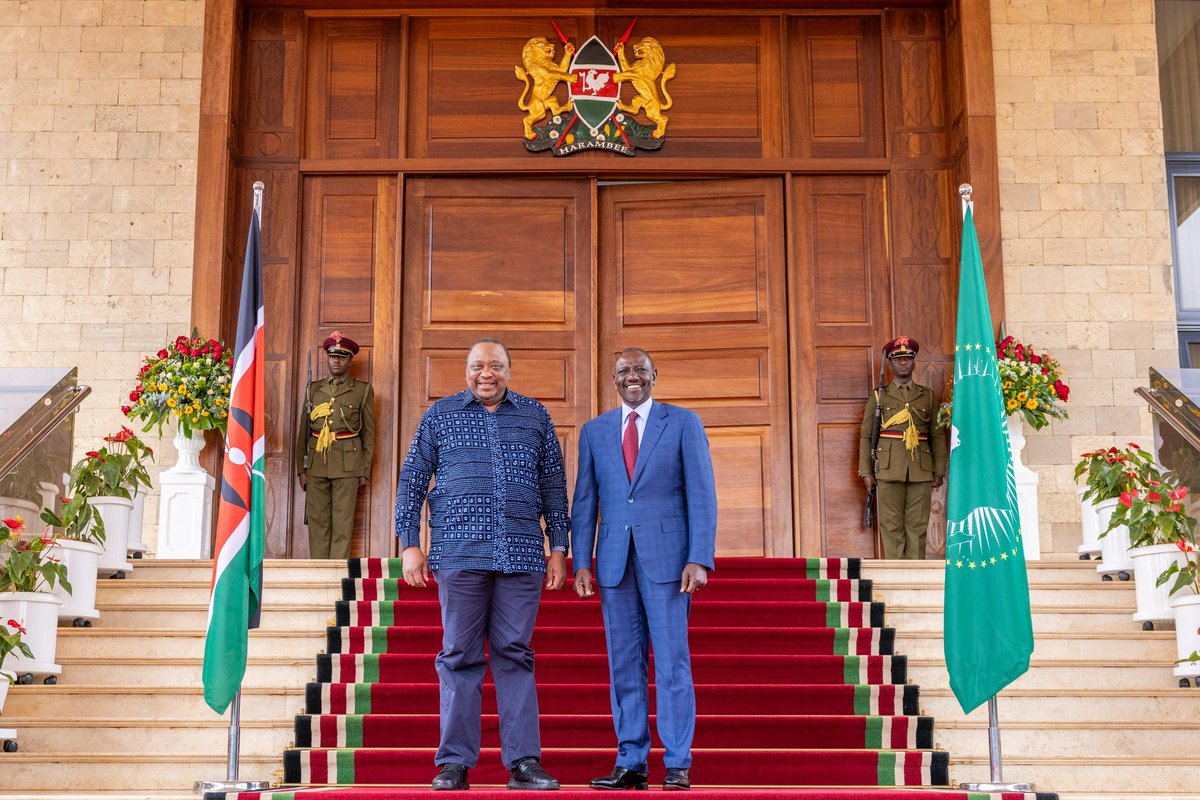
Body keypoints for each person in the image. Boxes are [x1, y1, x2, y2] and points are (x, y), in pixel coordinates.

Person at [394, 338, 568, 792]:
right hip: (458, 553)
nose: (485, 373)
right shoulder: (440, 414)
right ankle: (454, 763)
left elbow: (553, 486)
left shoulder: (536, 416)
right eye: (476, 366)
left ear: (509, 370)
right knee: (459, 657)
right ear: (466, 370)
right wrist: (410, 543)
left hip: (522, 553)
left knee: (515, 654)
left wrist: (559, 548)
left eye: (494, 365)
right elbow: (411, 480)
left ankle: (524, 763)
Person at [571, 347, 718, 792]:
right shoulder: (594, 431)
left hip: (670, 563)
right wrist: (582, 560)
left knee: (672, 662)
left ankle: (677, 762)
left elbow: (702, 493)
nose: (631, 377)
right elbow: (585, 502)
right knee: (624, 664)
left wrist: (699, 556)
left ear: (655, 374)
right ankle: (631, 762)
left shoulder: (683, 422)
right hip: (614, 563)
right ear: (612, 379)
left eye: (639, 370)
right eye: (623, 372)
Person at [858, 336, 947, 559]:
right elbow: (867, 435)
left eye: (908, 358)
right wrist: (866, 471)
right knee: (891, 525)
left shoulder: (926, 395)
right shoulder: (879, 396)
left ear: (914, 362)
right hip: (887, 468)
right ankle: (895, 575)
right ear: (890, 363)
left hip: (920, 468)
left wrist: (938, 470)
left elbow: (936, 434)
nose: (903, 363)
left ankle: (915, 574)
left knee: (917, 526)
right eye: (898, 359)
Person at [296, 331, 375, 560]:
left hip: (348, 462)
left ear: (349, 361)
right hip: (316, 461)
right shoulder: (313, 389)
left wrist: (365, 470)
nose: (336, 361)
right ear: (328, 359)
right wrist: (301, 469)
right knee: (318, 521)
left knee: (343, 522)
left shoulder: (363, 390)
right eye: (332, 356)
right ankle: (319, 572)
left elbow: (369, 434)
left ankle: (337, 573)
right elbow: (303, 430)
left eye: (341, 357)